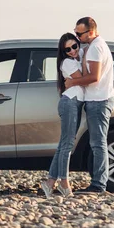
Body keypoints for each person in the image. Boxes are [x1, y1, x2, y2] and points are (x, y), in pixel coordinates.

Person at [65, 17, 114, 194]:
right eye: (76, 32)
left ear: (91, 32)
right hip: (97, 99)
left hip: (99, 100)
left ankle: (99, 185)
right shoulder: (93, 46)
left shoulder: (95, 48)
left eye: (80, 33)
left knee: (98, 143)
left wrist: (73, 82)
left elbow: (94, 77)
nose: (77, 37)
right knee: (97, 142)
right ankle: (98, 182)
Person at [41, 33, 84, 198]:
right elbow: (83, 79)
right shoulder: (67, 63)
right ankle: (64, 182)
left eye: (75, 46)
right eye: (68, 49)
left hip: (76, 103)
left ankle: (50, 182)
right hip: (70, 102)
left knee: (64, 144)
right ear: (63, 52)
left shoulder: (76, 61)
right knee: (67, 145)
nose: (73, 51)